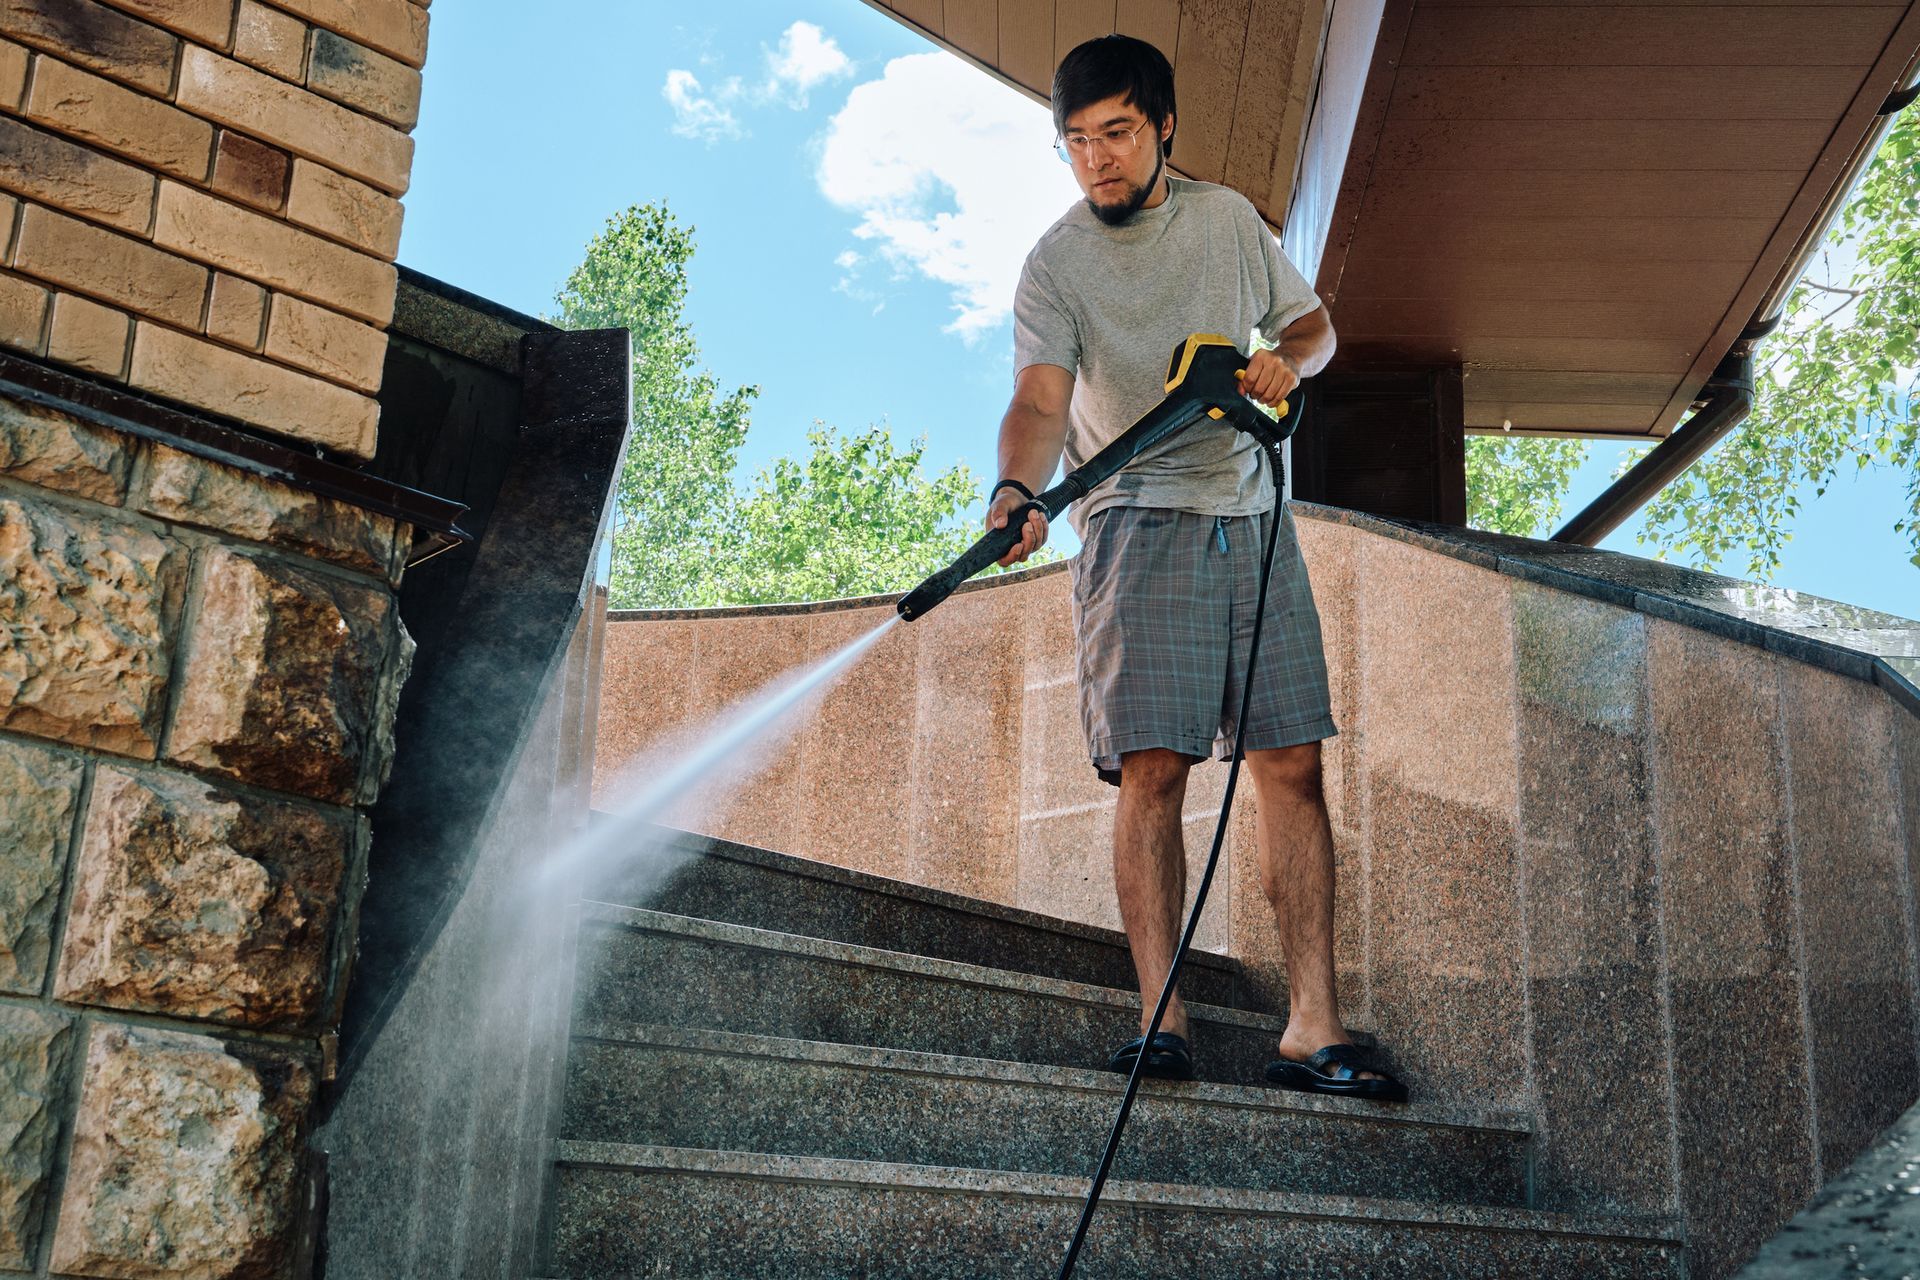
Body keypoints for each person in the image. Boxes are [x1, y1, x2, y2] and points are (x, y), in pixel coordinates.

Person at [987, 33, 1406, 1103]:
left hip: (1256, 519)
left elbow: (1313, 331)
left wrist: (1284, 360)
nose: (1097, 160)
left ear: (1164, 125)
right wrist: (1016, 488)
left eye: (1117, 133)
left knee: (1292, 767)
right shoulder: (1057, 262)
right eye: (1076, 142)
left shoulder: (1228, 224)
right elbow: (1040, 400)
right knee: (1155, 770)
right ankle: (1160, 1015)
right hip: (1134, 519)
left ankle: (1312, 1026)